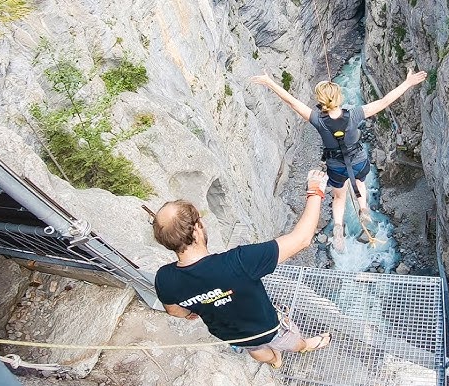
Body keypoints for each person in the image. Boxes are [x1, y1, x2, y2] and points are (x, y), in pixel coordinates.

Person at [153, 170, 332, 369]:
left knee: (255, 349)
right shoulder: (238, 262)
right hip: (268, 327)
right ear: (196, 229)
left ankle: (274, 360)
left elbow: (175, 311)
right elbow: (302, 239)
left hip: (231, 334)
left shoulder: (164, 279)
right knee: (291, 340)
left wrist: (198, 307)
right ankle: (306, 345)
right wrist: (315, 190)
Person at [251, 68, 427, 251]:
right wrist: (408, 82)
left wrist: (269, 82)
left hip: (336, 167)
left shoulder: (318, 119)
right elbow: (385, 101)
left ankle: (337, 227)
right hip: (358, 161)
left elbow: (292, 102)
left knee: (338, 196)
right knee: (360, 182)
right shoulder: (354, 115)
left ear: (320, 100)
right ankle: (363, 209)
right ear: (338, 97)